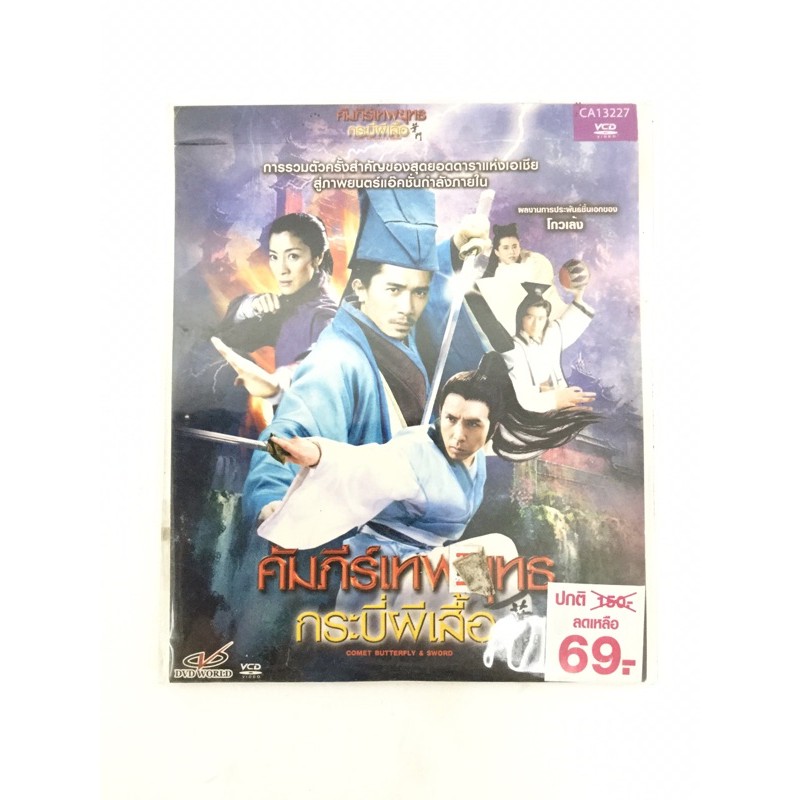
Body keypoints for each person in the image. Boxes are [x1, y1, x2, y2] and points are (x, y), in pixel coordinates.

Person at [213, 212, 338, 402]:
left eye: (293, 256)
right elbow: (229, 338)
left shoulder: (325, 316)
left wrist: (275, 386)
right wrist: (252, 306)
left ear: (317, 258)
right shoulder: (288, 305)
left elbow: (320, 366)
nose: (281, 269)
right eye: (274, 257)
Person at [502, 279, 596, 412]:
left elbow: (569, 322)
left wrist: (578, 296)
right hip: (534, 411)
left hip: (561, 402)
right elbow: (526, 399)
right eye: (530, 317)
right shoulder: (514, 350)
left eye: (541, 318)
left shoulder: (551, 336)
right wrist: (557, 400)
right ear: (521, 317)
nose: (536, 324)